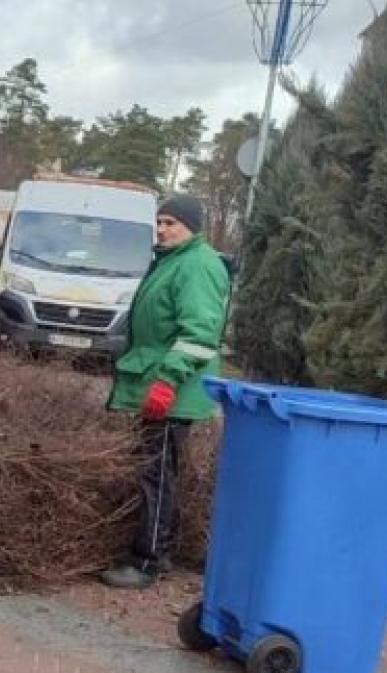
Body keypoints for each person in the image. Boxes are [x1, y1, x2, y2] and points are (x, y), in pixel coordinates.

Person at [100, 195, 229, 590]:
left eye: (170, 222)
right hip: (157, 384)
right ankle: (156, 550)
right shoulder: (175, 260)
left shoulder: (198, 266)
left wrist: (166, 381)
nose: (161, 229)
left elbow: (200, 333)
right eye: (159, 222)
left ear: (191, 226)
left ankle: (148, 560)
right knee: (155, 472)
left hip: (170, 392)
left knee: (156, 475)